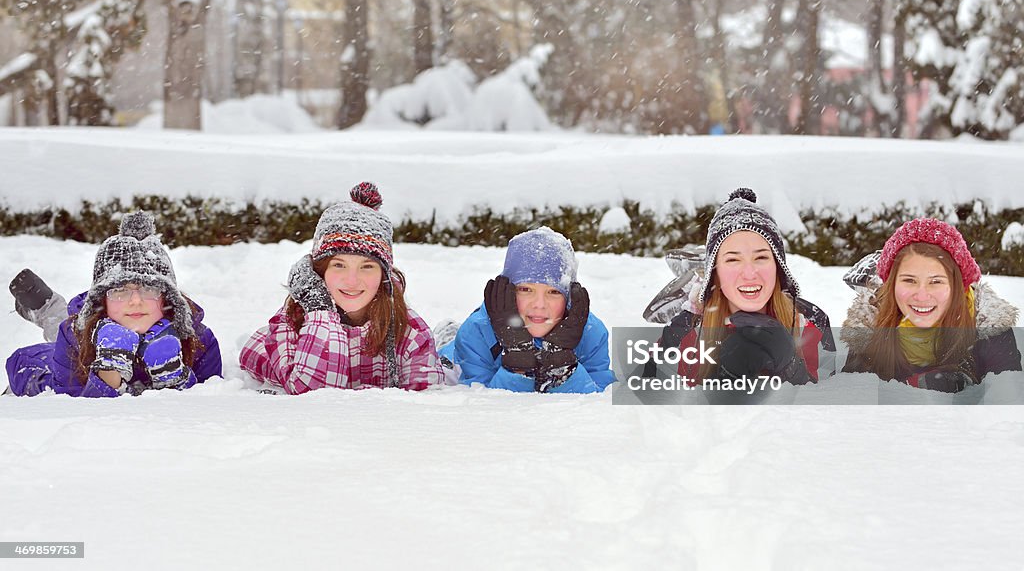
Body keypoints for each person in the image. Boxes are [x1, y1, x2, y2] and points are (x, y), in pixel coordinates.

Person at [240, 182, 444, 394]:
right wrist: (320, 311)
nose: (352, 280)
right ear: (319, 272)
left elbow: (427, 399)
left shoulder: (409, 329)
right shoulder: (291, 323)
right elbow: (315, 395)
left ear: (384, 276)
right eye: (339, 265)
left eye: (367, 267)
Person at [5, 212, 222, 397]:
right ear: (103, 300)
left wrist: (173, 376)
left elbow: (205, 407)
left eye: (149, 289)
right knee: (46, 355)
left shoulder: (199, 340)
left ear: (167, 298)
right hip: (83, 335)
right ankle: (50, 310)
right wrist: (109, 371)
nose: (135, 300)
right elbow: (72, 411)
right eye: (120, 290)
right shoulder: (72, 336)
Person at [648, 188, 834, 385]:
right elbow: (649, 399)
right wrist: (719, 382)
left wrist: (790, 369)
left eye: (761, 257)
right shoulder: (685, 331)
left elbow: (832, 398)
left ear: (778, 267)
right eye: (733, 260)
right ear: (715, 272)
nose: (749, 273)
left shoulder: (812, 323)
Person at [841, 217, 1021, 392]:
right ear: (892, 285)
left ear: (957, 285)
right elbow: (849, 405)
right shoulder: (869, 328)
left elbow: (1006, 406)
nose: (921, 296)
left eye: (935, 282)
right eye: (909, 280)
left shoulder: (989, 331)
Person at [439, 227, 615, 393]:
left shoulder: (591, 332)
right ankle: (448, 335)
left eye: (553, 292)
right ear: (508, 291)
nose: (539, 304)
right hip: (462, 354)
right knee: (447, 369)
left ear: (569, 297)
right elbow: (479, 402)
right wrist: (517, 364)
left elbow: (599, 398)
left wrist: (562, 367)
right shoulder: (477, 331)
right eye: (525, 290)